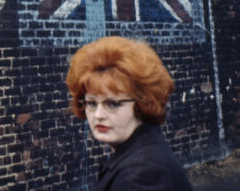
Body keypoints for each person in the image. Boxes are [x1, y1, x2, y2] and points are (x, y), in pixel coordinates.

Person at [65, 36, 194, 191]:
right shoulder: (139, 155)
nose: (98, 114)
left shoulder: (141, 175)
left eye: (112, 104)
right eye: (91, 103)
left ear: (142, 103)